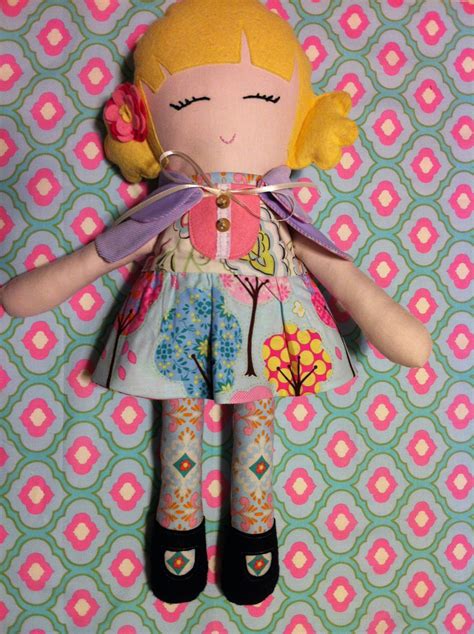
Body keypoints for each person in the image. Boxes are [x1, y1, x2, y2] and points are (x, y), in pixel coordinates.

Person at [0, 0, 431, 605]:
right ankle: (178, 520)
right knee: (178, 425)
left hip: (268, 333)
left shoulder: (278, 208)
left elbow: (337, 269)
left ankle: (253, 524)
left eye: (263, 100)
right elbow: (105, 253)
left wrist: (382, 316)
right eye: (187, 104)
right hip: (175, 329)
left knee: (256, 427)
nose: (226, 127)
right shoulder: (167, 207)